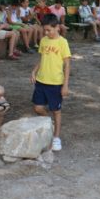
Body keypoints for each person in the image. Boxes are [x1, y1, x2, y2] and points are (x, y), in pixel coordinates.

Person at [30, 14, 71, 152]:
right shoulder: (43, 41)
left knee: (56, 110)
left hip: (55, 83)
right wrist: (34, 71)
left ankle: (56, 137)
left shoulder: (62, 42)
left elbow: (67, 64)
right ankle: (49, 123)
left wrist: (65, 85)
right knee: (37, 108)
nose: (46, 33)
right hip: (41, 81)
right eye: (45, 30)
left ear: (57, 27)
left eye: (49, 30)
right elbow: (42, 58)